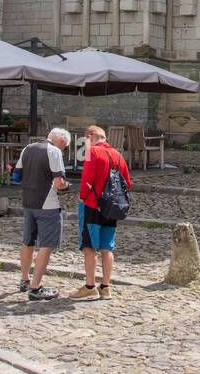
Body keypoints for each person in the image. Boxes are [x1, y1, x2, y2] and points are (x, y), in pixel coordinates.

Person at [70, 124, 131, 302]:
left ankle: (90, 287)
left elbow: (87, 179)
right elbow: (127, 182)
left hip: (93, 205)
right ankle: (105, 287)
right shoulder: (118, 155)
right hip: (112, 207)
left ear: (90, 137)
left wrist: (82, 197)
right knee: (107, 247)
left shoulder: (92, 152)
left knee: (89, 246)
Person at [15, 127, 70, 302]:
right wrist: (67, 186)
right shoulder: (54, 152)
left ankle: (25, 279)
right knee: (46, 245)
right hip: (47, 204)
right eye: (65, 146)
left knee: (28, 241)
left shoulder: (27, 148)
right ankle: (35, 287)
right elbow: (59, 182)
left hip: (28, 202)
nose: (64, 149)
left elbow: (16, 176)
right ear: (61, 142)